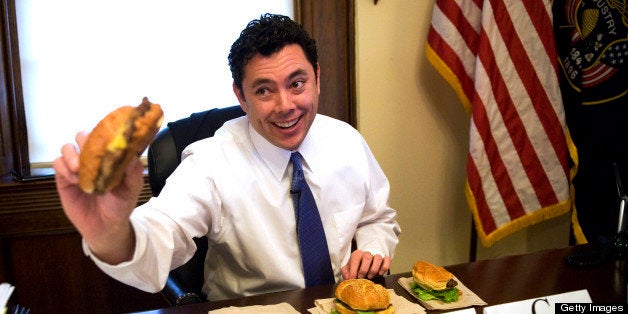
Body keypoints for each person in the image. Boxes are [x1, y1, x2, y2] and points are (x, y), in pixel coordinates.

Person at [53, 13, 400, 301]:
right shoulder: (210, 162)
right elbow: (161, 232)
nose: (286, 106)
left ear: (318, 78)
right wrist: (110, 233)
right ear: (241, 96)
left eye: (297, 83)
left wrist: (372, 248)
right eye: (264, 90)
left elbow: (379, 217)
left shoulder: (346, 140)